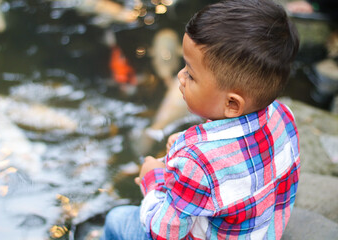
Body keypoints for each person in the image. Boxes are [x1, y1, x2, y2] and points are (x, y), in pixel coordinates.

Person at [101, 0, 300, 239]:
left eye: (191, 74)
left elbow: (163, 232)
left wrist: (151, 179)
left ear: (232, 104)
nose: (180, 76)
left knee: (117, 218)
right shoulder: (284, 115)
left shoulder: (195, 162)